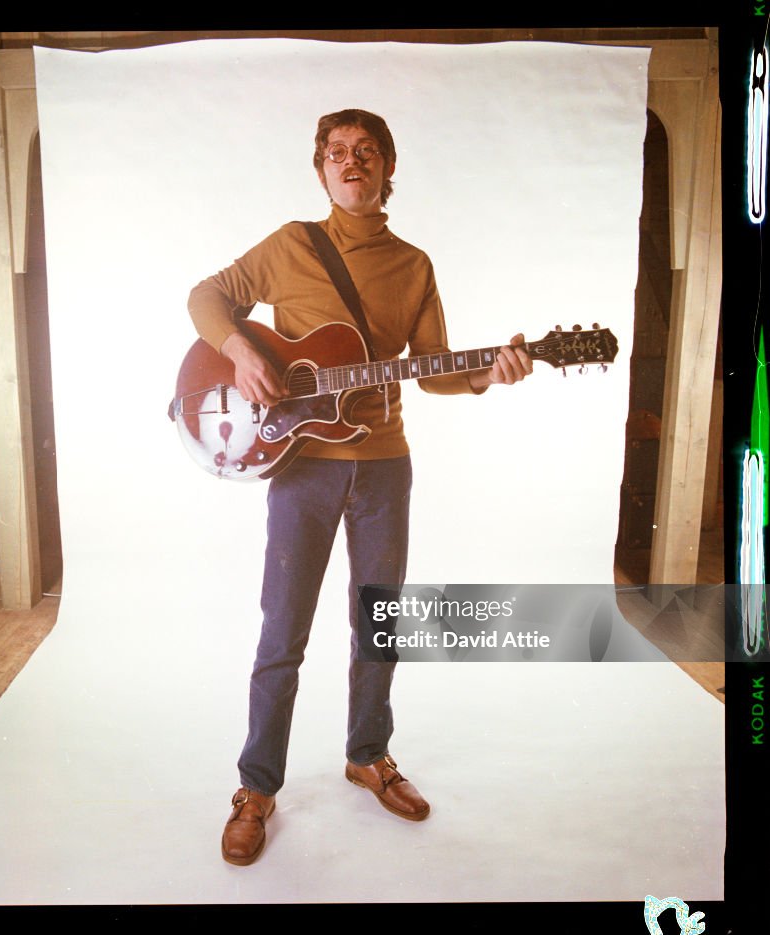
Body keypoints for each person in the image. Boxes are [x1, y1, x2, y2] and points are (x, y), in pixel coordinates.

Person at [187, 109, 532, 866]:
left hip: (383, 465)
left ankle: (367, 754)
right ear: (320, 170)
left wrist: (486, 373)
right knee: (283, 631)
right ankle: (256, 786)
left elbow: (435, 365)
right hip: (301, 467)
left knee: (378, 623)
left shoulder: (413, 265)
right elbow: (205, 297)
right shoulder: (288, 246)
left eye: (366, 152)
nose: (351, 162)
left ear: (386, 170)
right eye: (337, 153)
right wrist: (241, 348)